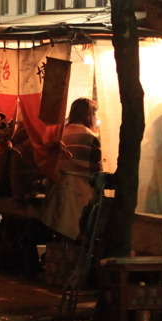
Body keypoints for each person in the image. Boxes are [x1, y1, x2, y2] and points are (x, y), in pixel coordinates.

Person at [41, 98, 102, 240]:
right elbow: (96, 169)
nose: (96, 118)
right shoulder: (89, 137)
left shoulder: (62, 132)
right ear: (88, 115)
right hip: (79, 192)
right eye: (95, 114)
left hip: (57, 192)